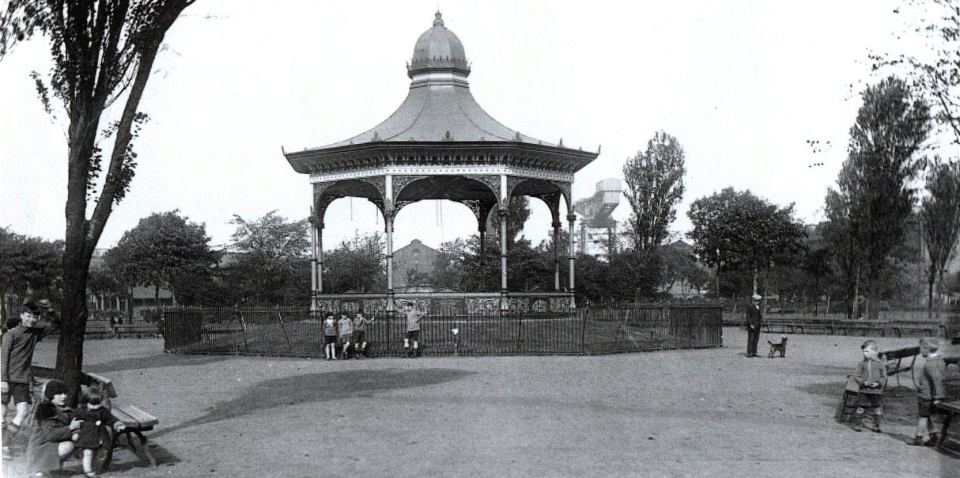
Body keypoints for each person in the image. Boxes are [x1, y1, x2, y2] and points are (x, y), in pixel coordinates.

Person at [2, 300, 60, 457]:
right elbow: (3, 358)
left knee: (22, 412)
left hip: (22, 379)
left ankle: (4, 445)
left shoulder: (35, 333)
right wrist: (3, 380)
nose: (32, 320)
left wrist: (49, 308)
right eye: (28, 316)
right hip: (6, 380)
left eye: (35, 317)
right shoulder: (10, 335)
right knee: (2, 412)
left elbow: (56, 324)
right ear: (22, 316)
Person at [26, 380, 83, 477]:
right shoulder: (45, 409)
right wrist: (71, 428)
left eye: (65, 393)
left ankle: (52, 470)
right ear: (51, 395)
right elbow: (52, 434)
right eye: (59, 394)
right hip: (40, 448)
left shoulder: (65, 409)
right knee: (68, 445)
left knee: (75, 440)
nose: (64, 396)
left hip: (49, 445)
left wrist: (77, 432)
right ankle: (40, 470)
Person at [73, 387, 124, 477]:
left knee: (96, 454)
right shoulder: (80, 412)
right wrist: (75, 432)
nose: (96, 406)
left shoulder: (102, 411)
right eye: (93, 403)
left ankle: (93, 467)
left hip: (99, 437)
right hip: (86, 437)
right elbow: (73, 422)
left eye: (98, 403)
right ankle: (88, 472)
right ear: (86, 401)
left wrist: (117, 424)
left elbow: (110, 419)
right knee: (88, 453)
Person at [911, 337, 946, 446]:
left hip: (926, 396)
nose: (920, 351)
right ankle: (933, 436)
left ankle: (918, 438)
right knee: (928, 416)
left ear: (926, 349)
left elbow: (937, 380)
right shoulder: (940, 361)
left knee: (923, 417)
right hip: (931, 396)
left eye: (921, 348)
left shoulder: (929, 364)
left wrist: (938, 397)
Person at [851, 340, 887, 432]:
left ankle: (876, 425)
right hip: (864, 390)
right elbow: (857, 375)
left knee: (877, 408)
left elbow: (884, 376)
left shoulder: (880, 364)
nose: (864, 354)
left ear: (874, 351)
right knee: (861, 407)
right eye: (863, 352)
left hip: (876, 391)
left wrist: (878, 383)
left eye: (867, 351)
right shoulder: (862, 363)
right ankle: (858, 424)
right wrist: (863, 382)